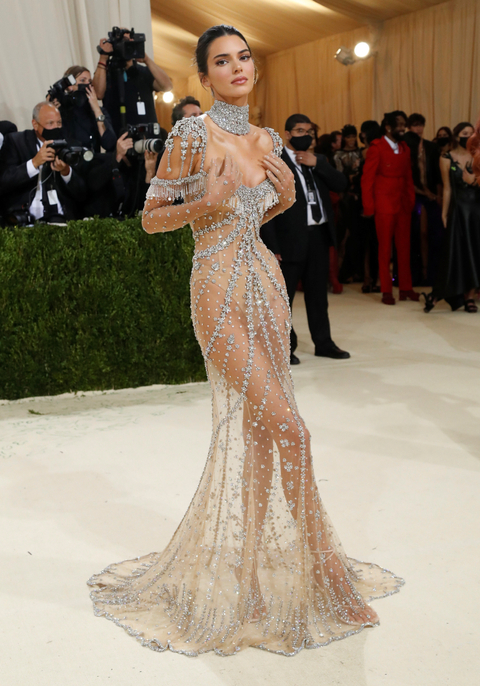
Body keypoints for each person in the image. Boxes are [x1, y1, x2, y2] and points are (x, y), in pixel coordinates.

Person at [87, 25, 403, 656]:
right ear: (204, 77)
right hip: (217, 289)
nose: (237, 68)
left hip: (263, 282)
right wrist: (210, 199)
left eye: (243, 58)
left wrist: (278, 201)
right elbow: (153, 219)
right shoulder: (191, 133)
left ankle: (255, 578)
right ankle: (328, 577)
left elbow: (255, 212)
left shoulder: (267, 139)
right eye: (222, 62)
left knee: (262, 433)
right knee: (292, 429)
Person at [262, 114, 350, 362]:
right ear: (287, 134)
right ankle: (284, 348)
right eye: (300, 131)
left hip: (318, 237)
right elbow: (265, 207)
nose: (306, 136)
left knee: (318, 296)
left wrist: (318, 165)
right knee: (283, 298)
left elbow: (341, 184)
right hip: (288, 240)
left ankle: (324, 343)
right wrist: (272, 245)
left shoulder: (318, 160)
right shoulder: (275, 162)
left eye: (309, 131)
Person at [361, 110, 419, 305]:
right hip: (384, 205)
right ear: (388, 127)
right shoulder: (376, 148)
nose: (403, 128)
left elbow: (408, 177)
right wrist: (369, 207)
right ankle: (386, 290)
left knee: (404, 248)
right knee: (385, 249)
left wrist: (410, 201)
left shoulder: (405, 147)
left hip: (402, 204)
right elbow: (367, 180)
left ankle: (405, 288)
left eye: (404, 125)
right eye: (400, 125)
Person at [423, 122, 480, 313]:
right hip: (458, 210)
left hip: (476, 210)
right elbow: (446, 188)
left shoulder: (478, 156)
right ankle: (440, 293)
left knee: (474, 252)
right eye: (465, 133)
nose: (469, 137)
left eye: (471, 134)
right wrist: (444, 213)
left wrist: (475, 179)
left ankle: (470, 297)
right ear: (456, 136)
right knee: (454, 253)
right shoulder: (446, 157)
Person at [0, 102, 85, 225]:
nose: (56, 127)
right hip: (25, 219)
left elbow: (83, 193)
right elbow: (4, 181)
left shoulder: (70, 145)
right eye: (50, 123)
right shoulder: (16, 142)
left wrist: (66, 172)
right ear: (35, 124)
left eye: (59, 123)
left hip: (63, 220)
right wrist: (34, 163)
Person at [92, 30, 173, 136]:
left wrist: (147, 60)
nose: (128, 44)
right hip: (119, 139)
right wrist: (103, 57)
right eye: (125, 40)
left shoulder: (142, 72)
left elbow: (167, 86)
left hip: (146, 137)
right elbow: (98, 93)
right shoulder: (106, 72)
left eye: (131, 40)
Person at [404, 114, 442, 286]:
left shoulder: (431, 147)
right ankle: (416, 275)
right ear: (409, 127)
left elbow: (438, 175)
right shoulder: (405, 146)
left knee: (431, 233)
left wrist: (438, 196)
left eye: (421, 125)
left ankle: (431, 273)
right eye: (415, 125)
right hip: (413, 194)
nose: (418, 129)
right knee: (415, 234)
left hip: (432, 194)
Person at [59, 66, 116, 153]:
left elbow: (109, 144)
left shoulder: (99, 111)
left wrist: (96, 109)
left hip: (95, 161)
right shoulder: (62, 112)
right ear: (70, 86)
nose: (87, 84)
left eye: (90, 82)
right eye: (82, 80)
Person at [334, 125, 364, 284]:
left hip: (359, 197)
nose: (352, 140)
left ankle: (357, 271)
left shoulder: (360, 152)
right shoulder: (338, 155)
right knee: (345, 236)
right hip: (345, 198)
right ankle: (343, 272)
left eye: (354, 136)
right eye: (349, 137)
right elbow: (340, 178)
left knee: (357, 236)